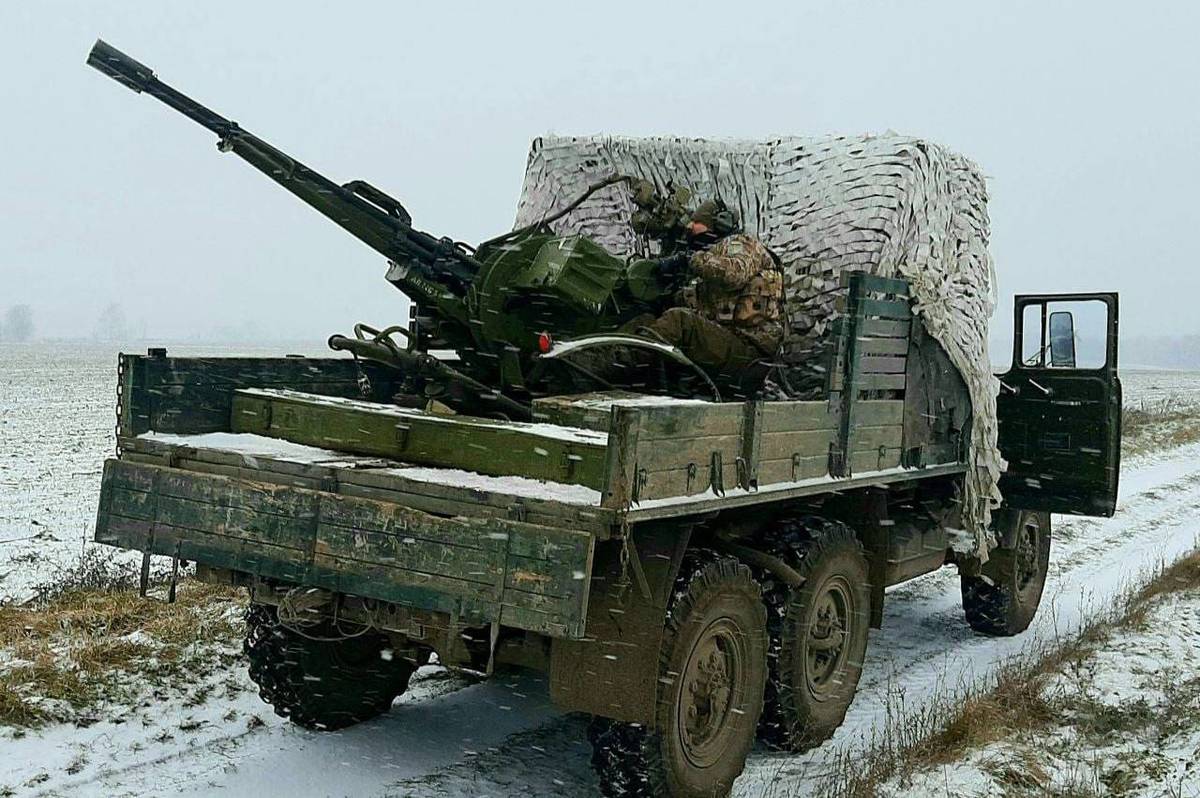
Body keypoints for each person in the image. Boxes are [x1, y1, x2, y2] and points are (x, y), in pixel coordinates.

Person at [630, 200, 785, 395]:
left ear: (720, 224)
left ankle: (619, 364)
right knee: (647, 321)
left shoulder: (743, 244)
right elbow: (699, 307)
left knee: (679, 321)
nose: (690, 227)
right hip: (729, 348)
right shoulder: (711, 260)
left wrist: (690, 259)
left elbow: (733, 273)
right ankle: (597, 359)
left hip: (749, 354)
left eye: (697, 222)